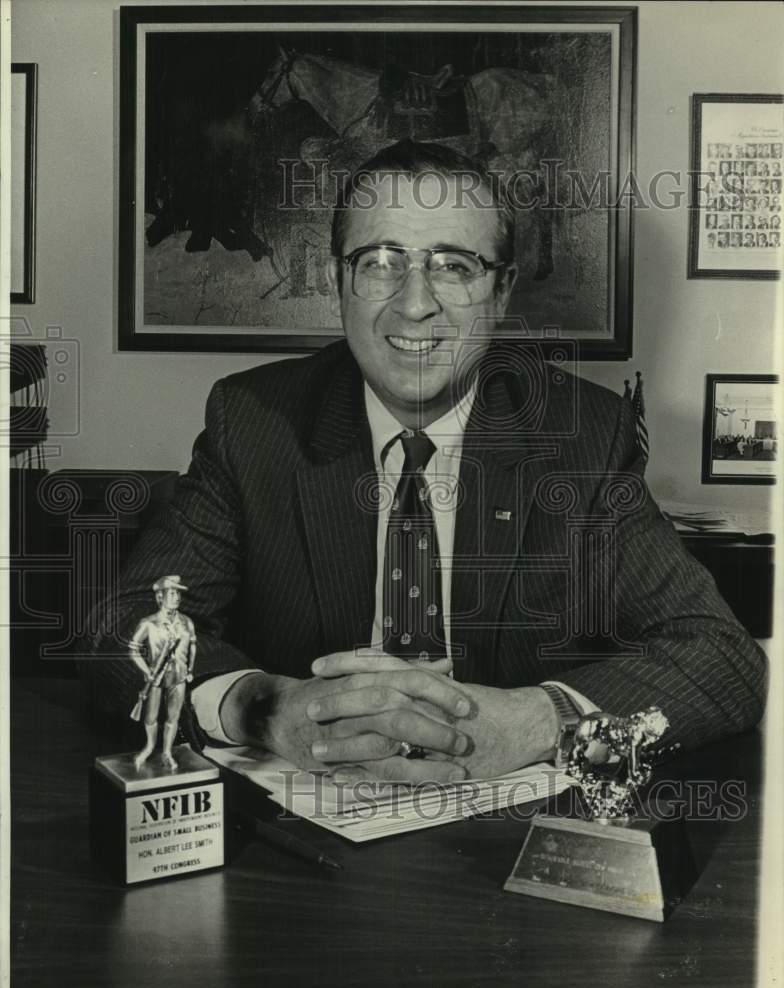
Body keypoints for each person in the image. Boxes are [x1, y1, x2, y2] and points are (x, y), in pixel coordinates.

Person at [85, 140, 766, 785]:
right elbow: (123, 629)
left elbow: (722, 659)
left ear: (500, 293)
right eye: (381, 262)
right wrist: (263, 707)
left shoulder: (582, 433)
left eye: (454, 266)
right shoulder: (253, 421)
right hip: (300, 835)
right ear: (338, 282)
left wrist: (538, 721)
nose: (414, 305)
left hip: (504, 837)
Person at [128, 575, 196, 771]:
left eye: (178, 594)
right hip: (156, 677)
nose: (177, 597)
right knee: (150, 717)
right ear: (160, 597)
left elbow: (193, 646)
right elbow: (133, 649)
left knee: (173, 717)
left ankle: (167, 752)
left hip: (179, 676)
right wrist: (147, 671)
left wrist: (190, 669)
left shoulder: (186, 622)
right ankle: (149, 747)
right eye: (172, 593)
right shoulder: (149, 623)